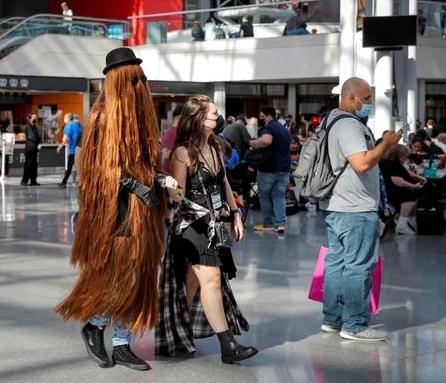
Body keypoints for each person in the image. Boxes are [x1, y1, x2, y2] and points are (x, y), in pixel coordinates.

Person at [54, 47, 179, 371]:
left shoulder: (138, 118)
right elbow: (99, 169)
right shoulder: (102, 117)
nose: (142, 84)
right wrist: (138, 186)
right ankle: (95, 326)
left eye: (142, 78)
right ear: (121, 79)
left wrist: (160, 180)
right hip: (115, 213)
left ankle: (122, 342)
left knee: (139, 278)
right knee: (121, 277)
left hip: (143, 214)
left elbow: (140, 164)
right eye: (135, 79)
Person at [157, 95, 257, 364]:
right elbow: (178, 197)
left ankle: (177, 333)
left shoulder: (214, 146)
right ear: (199, 118)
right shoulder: (182, 153)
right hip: (191, 224)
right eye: (213, 113)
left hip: (215, 222)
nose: (218, 116)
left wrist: (235, 213)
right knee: (211, 278)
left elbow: (223, 181)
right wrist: (173, 190)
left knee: (191, 282)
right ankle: (228, 346)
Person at [320, 77, 401, 341]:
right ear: (351, 97)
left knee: (337, 262)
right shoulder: (349, 125)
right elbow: (362, 163)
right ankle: (354, 324)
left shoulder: (330, 121)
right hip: (355, 207)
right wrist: (386, 144)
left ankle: (332, 319)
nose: (369, 103)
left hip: (337, 205)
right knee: (358, 265)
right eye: (366, 98)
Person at [250, 106, 292, 233]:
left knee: (265, 196)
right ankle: (280, 224)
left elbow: (267, 141)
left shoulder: (268, 128)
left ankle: (268, 223)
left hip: (268, 169)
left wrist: (254, 143)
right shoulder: (284, 129)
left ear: (268, 116)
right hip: (284, 168)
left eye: (262, 116)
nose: (261, 118)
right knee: (279, 196)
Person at [380, 144, 427, 235]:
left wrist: (417, 176)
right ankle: (402, 225)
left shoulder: (391, 162)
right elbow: (398, 182)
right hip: (390, 193)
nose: (406, 158)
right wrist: (414, 186)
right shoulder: (390, 165)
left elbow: (406, 172)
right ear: (399, 155)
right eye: (405, 156)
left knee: (413, 193)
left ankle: (410, 222)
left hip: (390, 190)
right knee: (411, 194)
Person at [58, 113, 82, 188]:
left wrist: (60, 146)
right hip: (79, 149)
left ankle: (64, 183)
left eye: (65, 118)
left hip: (72, 151)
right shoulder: (78, 125)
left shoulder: (69, 126)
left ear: (68, 118)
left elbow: (66, 138)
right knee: (78, 168)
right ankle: (64, 182)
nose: (64, 120)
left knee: (69, 167)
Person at [162, 105, 183, 173]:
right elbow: (165, 154)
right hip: (170, 173)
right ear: (179, 117)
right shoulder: (171, 133)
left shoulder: (179, 132)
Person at [21, 114, 41, 186]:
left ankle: (33, 180)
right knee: (28, 164)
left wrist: (39, 143)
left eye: (36, 118)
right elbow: (31, 137)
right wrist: (37, 143)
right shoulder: (28, 127)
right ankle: (24, 180)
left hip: (34, 148)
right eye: (34, 118)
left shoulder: (35, 127)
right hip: (30, 147)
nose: (35, 119)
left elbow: (38, 136)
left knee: (34, 165)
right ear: (30, 119)